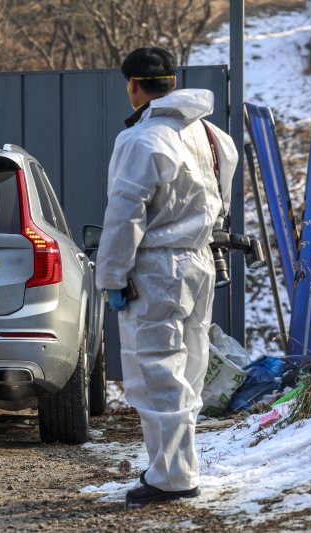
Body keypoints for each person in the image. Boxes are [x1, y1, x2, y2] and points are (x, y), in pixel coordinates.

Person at [95, 47, 238, 506]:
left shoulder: (140, 140)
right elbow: (223, 201)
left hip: (156, 268)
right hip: (198, 262)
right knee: (189, 371)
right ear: (173, 83)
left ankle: (172, 477)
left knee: (156, 372)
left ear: (133, 86)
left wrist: (111, 276)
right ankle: (172, 466)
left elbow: (124, 215)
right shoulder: (212, 135)